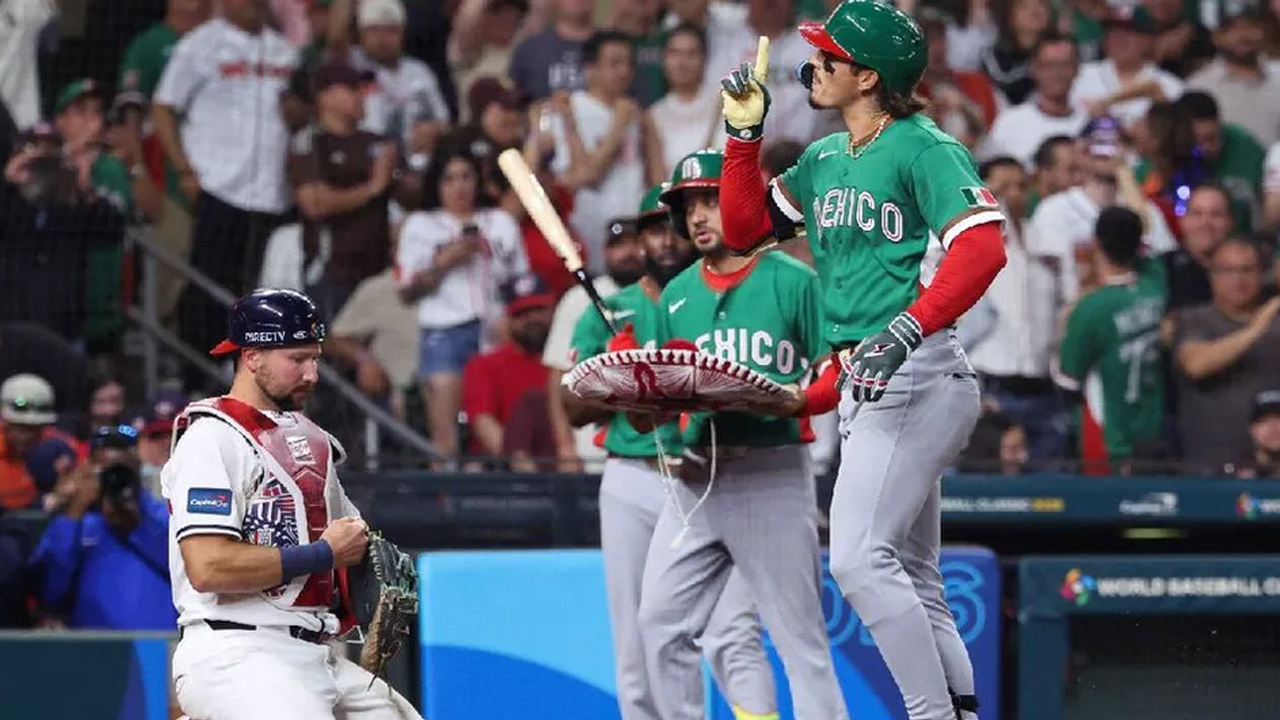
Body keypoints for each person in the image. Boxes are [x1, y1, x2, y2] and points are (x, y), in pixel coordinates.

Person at [716, 2, 1009, 717]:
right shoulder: (823, 157)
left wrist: (907, 329)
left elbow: (984, 247)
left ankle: (930, 713)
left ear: (868, 75)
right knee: (913, 572)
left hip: (915, 368)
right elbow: (745, 228)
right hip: (878, 374)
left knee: (856, 559)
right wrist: (742, 138)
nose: (811, 62)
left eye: (828, 56)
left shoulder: (922, 146)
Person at [636, 149, 848, 720]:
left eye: (710, 199)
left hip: (770, 470)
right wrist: (634, 399)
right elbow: (654, 409)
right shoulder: (676, 295)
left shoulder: (794, 280)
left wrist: (801, 398)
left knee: (801, 645)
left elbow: (839, 366)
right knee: (658, 625)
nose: (700, 215)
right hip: (694, 478)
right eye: (690, 205)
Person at [563, 183, 776, 720]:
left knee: (732, 630)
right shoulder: (611, 309)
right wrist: (612, 377)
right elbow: (572, 409)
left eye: (670, 226)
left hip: (711, 473)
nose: (662, 239)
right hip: (634, 477)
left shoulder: (725, 297)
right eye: (651, 230)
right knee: (637, 640)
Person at [161, 288, 420, 720]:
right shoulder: (212, 439)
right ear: (251, 356)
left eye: (315, 358)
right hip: (237, 651)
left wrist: (362, 567)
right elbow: (208, 568)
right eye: (296, 359)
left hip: (315, 652)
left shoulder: (310, 440)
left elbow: (350, 542)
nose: (312, 374)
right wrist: (323, 554)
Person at [1053, 207, 1167, 473]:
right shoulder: (1155, 285)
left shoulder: (1091, 309)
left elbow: (1067, 382)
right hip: (1152, 429)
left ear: (1096, 244)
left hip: (1108, 439)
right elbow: (1151, 257)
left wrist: (1064, 325)